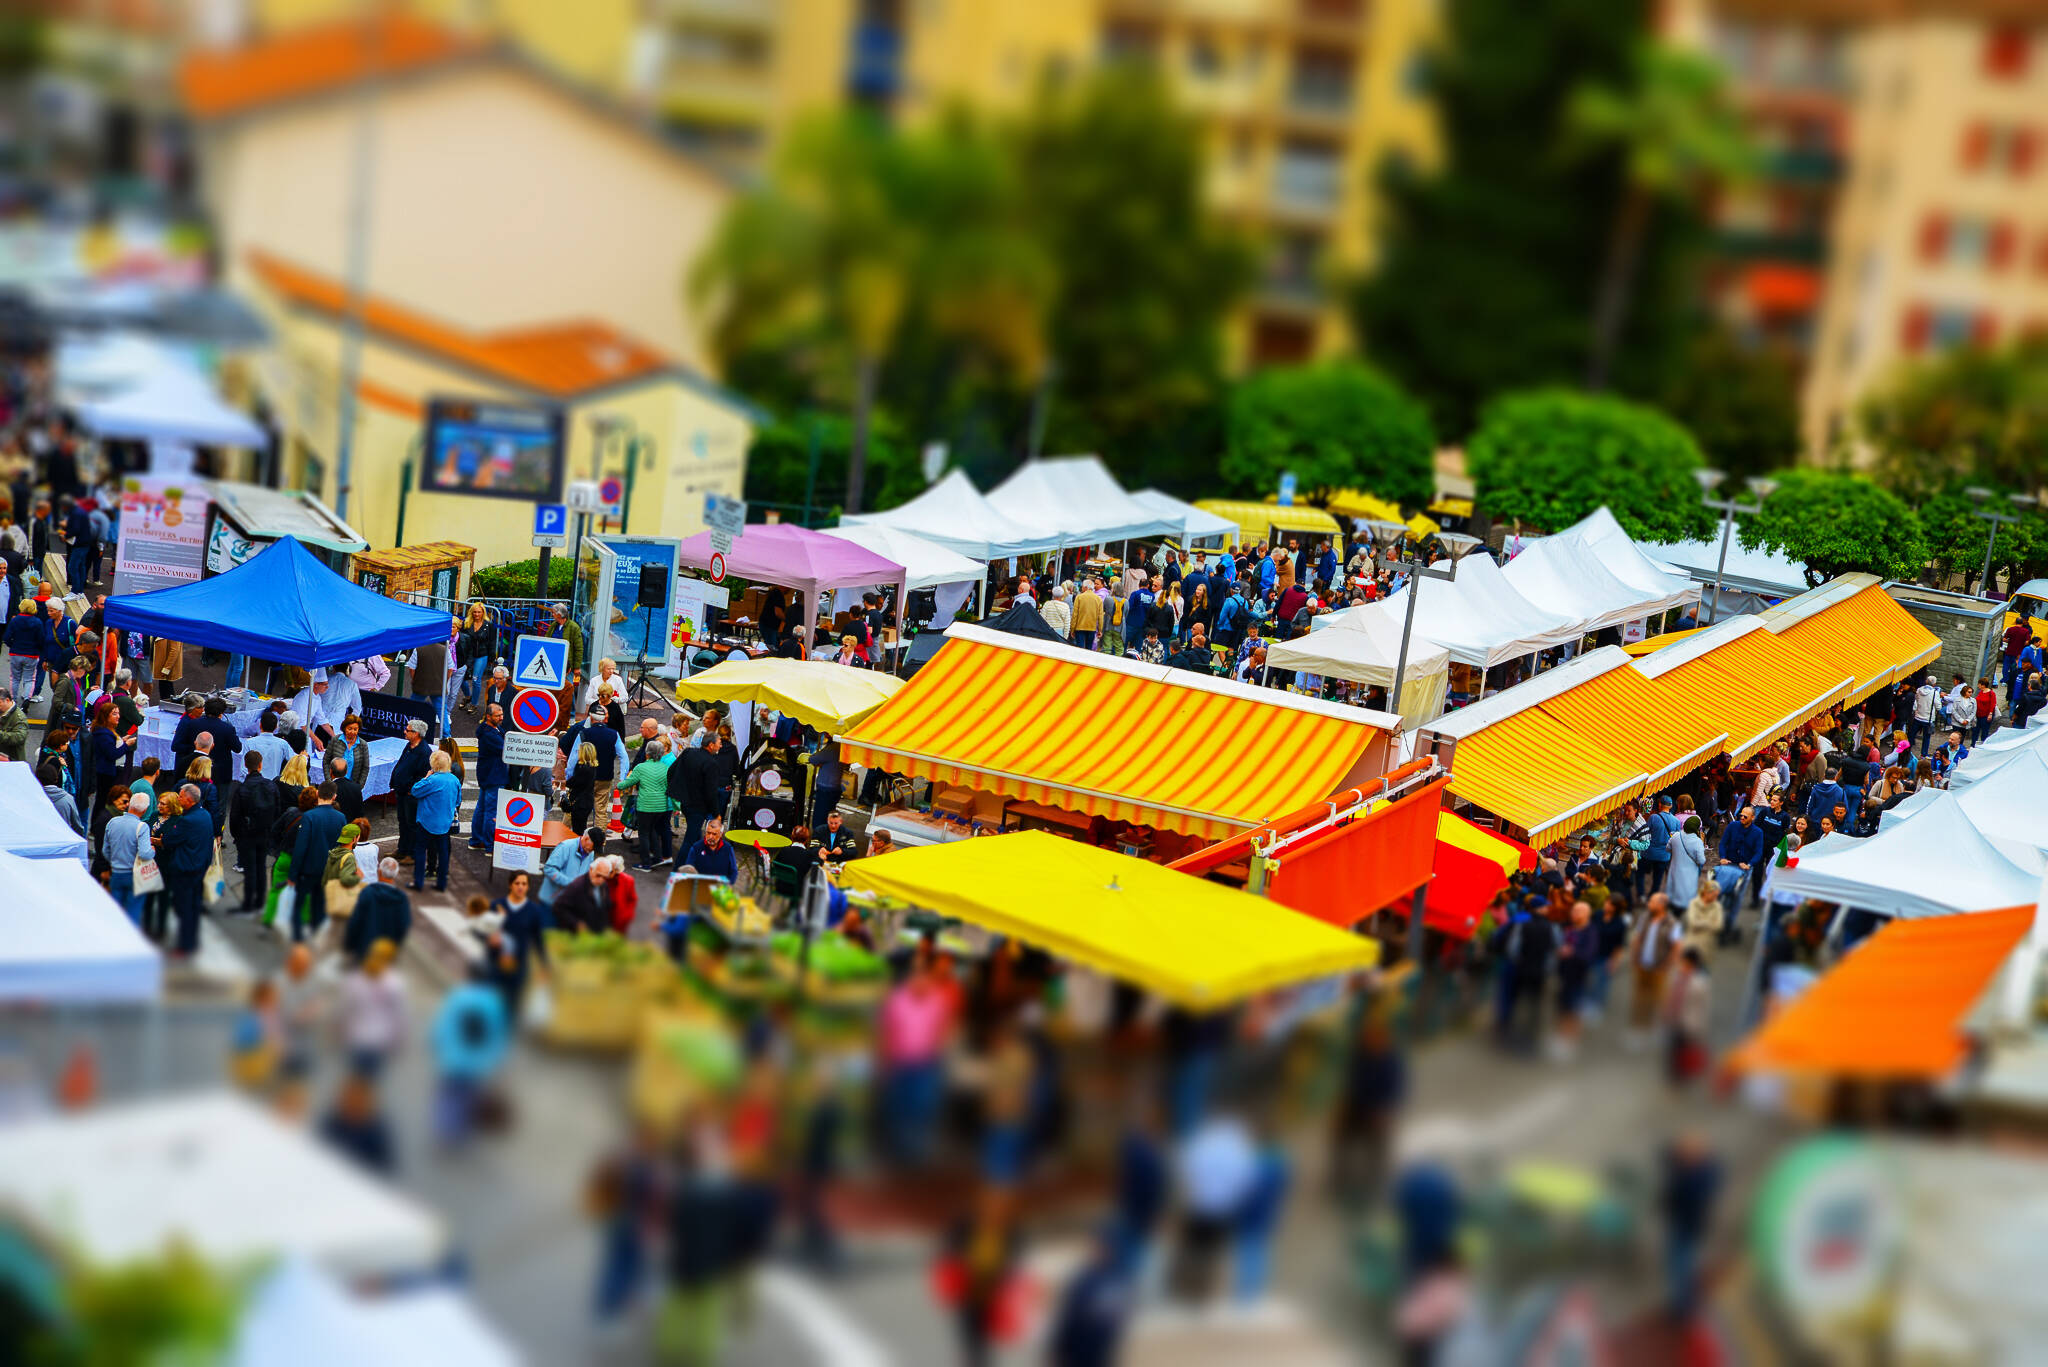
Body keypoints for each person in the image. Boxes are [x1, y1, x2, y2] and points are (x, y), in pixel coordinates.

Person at [429, 964, 510, 1149]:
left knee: (448, 1093)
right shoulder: (494, 1002)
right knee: (468, 1096)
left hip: (453, 1056)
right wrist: (497, 1058)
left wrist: (435, 1041)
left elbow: (445, 1022)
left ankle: (444, 1128)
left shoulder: (458, 996)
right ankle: (458, 1130)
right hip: (478, 1061)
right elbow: (497, 1034)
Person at [1660, 1132, 1722, 1322]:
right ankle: (1682, 1303)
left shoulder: (1693, 1179)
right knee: (1680, 1263)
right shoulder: (1706, 1171)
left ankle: (1683, 1307)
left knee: (1681, 1265)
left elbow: (1679, 1193)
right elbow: (1665, 1154)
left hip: (1687, 1225)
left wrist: (1679, 1171)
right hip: (1687, 1224)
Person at [157, 786, 216, 957]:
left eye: (181, 797)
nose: (178, 799)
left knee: (184, 908)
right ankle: (191, 941)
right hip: (199, 867)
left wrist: (162, 838)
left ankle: (185, 945)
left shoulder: (187, 821)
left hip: (185, 869)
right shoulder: (205, 814)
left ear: (189, 800)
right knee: (194, 906)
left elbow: (168, 840)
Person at [289, 783, 348, 943]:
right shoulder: (341, 818)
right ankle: (316, 937)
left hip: (309, 869)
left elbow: (301, 847)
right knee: (320, 905)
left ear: (318, 795)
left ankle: (297, 939)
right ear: (334, 796)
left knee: (299, 904)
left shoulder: (309, 816)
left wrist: (293, 873)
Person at [1626, 894, 1681, 1048]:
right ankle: (1638, 1029)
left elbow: (1677, 947)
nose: (1649, 903)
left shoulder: (1672, 923)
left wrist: (1667, 965)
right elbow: (1637, 938)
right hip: (1643, 965)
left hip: (1659, 968)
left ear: (1661, 905)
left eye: (1652, 901)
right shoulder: (1645, 918)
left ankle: (1657, 1029)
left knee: (1658, 1000)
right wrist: (1634, 957)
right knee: (1640, 999)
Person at [228, 752, 279, 914]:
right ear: (260, 764)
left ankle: (248, 903)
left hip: (246, 835)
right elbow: (278, 810)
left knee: (250, 869)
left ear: (246, 765)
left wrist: (237, 836)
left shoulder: (242, 789)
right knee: (261, 866)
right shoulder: (271, 786)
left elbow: (234, 816)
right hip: (264, 833)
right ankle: (259, 901)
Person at [617, 736, 673, 871]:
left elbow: (629, 782)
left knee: (643, 834)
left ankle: (645, 863)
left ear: (647, 753)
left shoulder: (641, 767)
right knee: (653, 830)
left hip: (646, 806)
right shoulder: (665, 768)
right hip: (661, 806)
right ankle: (658, 857)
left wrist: (619, 785)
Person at [409, 750, 461, 893]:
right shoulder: (454, 780)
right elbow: (458, 801)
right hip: (445, 823)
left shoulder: (432, 780)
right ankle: (441, 883)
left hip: (426, 821)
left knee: (420, 851)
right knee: (443, 853)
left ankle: (418, 882)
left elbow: (415, 791)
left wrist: (426, 777)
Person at [345, 858, 413, 964]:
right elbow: (403, 925)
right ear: (396, 874)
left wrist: (350, 944)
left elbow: (356, 920)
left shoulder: (368, 892)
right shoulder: (401, 898)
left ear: (379, 871)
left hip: (365, 947)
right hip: (386, 952)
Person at [667, 729, 725, 853]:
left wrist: (678, 789)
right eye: (719, 743)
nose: (721, 745)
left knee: (695, 836)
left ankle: (698, 862)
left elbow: (671, 771)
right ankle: (680, 868)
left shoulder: (688, 752)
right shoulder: (711, 763)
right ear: (711, 745)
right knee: (690, 840)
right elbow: (711, 792)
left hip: (685, 802)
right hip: (698, 807)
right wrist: (716, 813)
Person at [104, 790, 153, 926]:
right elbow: (144, 854)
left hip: (117, 873)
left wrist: (114, 862)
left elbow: (105, 850)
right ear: (145, 810)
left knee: (115, 913)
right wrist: (152, 851)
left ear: (129, 804)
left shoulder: (112, 822)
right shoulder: (142, 827)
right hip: (134, 876)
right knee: (133, 913)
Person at [390, 720, 432, 866]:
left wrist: (410, 789)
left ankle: (412, 854)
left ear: (416, 734)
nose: (404, 732)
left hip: (411, 795)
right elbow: (401, 764)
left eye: (407, 730)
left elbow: (424, 775)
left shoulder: (424, 752)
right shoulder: (409, 746)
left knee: (412, 824)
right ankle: (402, 849)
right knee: (402, 821)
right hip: (402, 792)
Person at [468, 704, 508, 853]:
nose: (501, 717)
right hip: (494, 776)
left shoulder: (492, 729)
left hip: (487, 775)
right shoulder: (490, 734)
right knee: (491, 812)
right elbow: (506, 749)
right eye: (498, 715)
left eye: (502, 714)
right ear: (488, 716)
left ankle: (476, 840)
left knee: (482, 809)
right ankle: (489, 846)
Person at [551, 858, 616, 935]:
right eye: (598, 875)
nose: (601, 880)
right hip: (577, 936)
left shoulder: (603, 886)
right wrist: (576, 923)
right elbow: (559, 907)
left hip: (596, 934)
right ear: (591, 869)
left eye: (604, 877)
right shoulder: (577, 886)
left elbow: (604, 908)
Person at [539, 828, 599, 909]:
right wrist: (570, 884)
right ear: (586, 838)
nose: (591, 851)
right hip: (552, 901)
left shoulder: (590, 851)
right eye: (591, 848)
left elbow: (586, 873)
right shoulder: (565, 847)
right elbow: (549, 869)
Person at [1663, 815, 1706, 908]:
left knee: (1674, 891)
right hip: (1689, 873)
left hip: (1675, 870)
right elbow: (1701, 860)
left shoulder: (1676, 836)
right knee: (1686, 893)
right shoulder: (1697, 841)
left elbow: (1667, 848)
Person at [681, 815, 738, 882]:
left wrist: (729, 885)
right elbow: (688, 871)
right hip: (700, 886)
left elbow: (733, 871)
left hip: (720, 888)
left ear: (720, 834)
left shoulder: (728, 848)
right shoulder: (696, 848)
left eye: (714, 834)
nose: (710, 837)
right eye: (708, 833)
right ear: (705, 831)